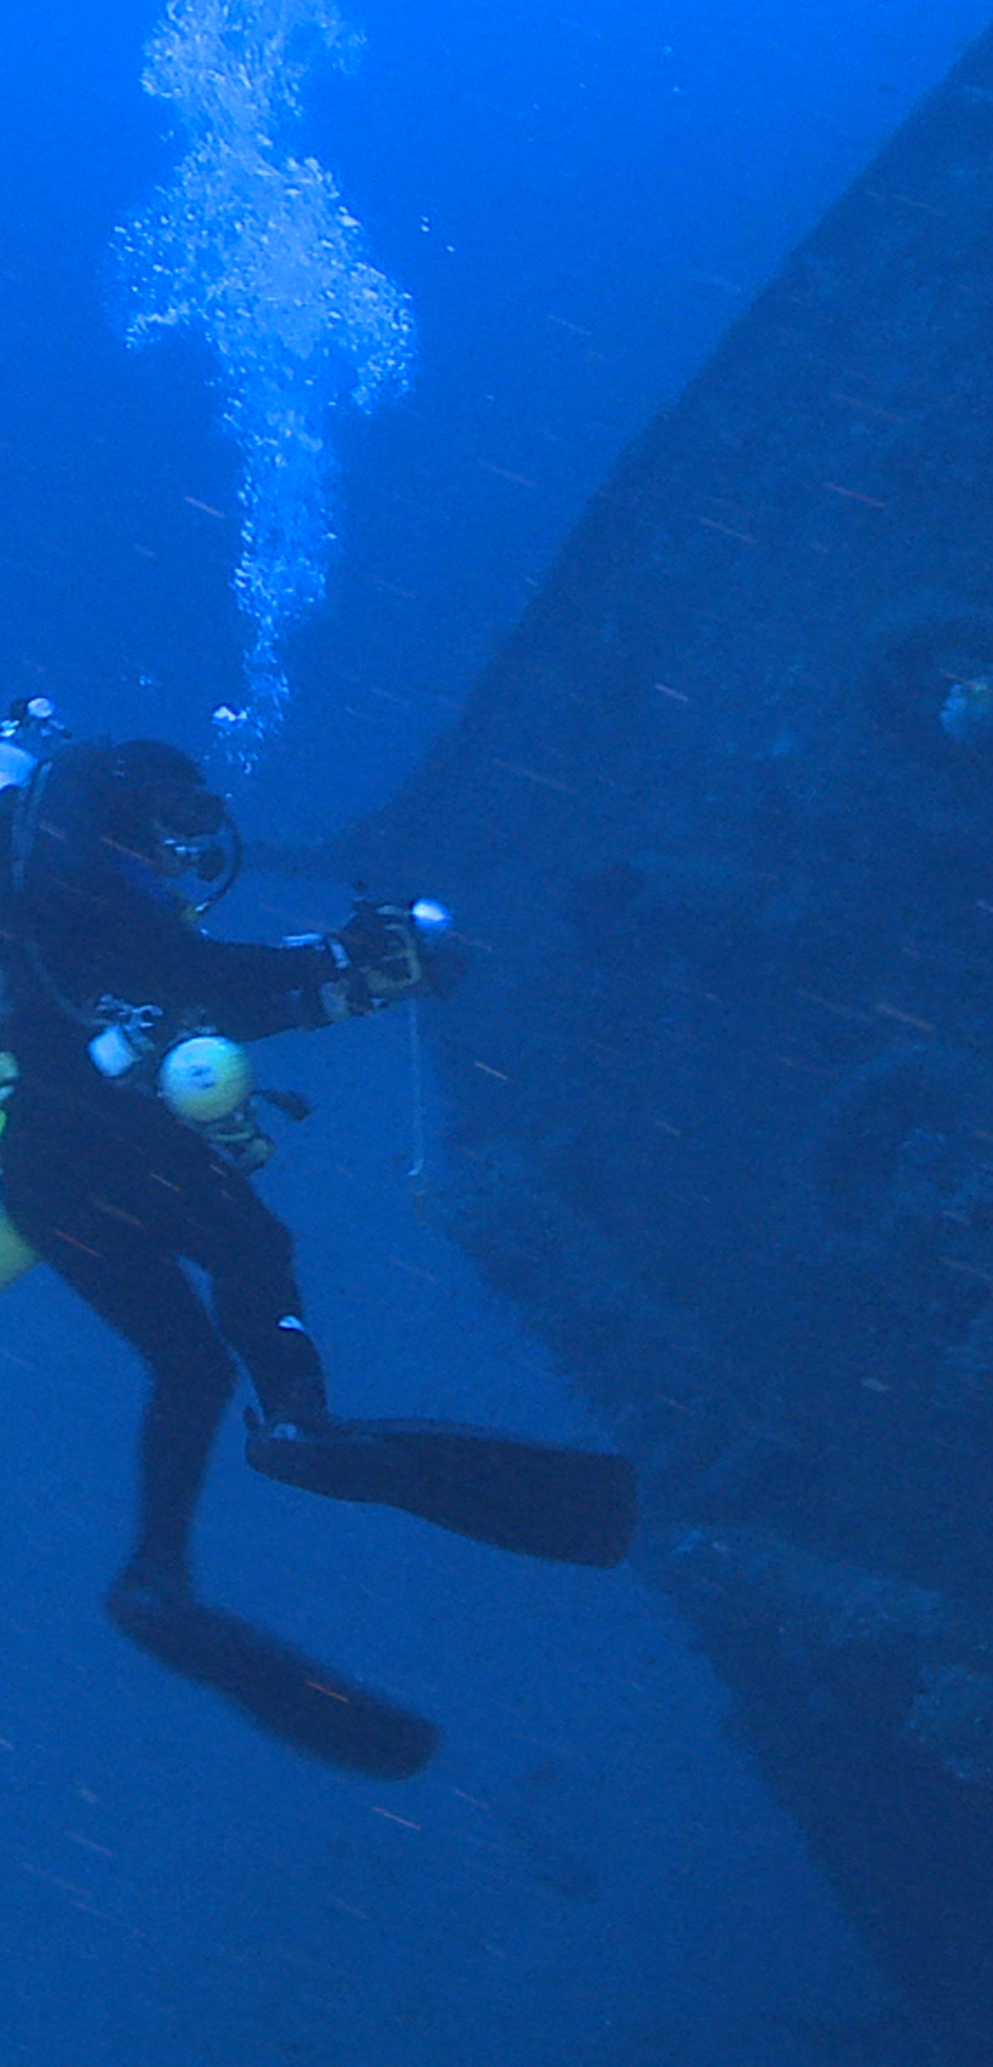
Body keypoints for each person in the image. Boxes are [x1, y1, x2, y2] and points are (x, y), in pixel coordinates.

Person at [0, 712, 632, 1775]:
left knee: (191, 1367)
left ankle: (155, 1578)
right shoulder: (87, 873)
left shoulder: (51, 912)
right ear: (134, 807)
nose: (185, 851)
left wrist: (354, 981)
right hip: (108, 1143)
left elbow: (188, 1003)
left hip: (43, 1173)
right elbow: (190, 970)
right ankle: (297, 1424)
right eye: (179, 821)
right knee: (254, 1251)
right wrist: (342, 953)